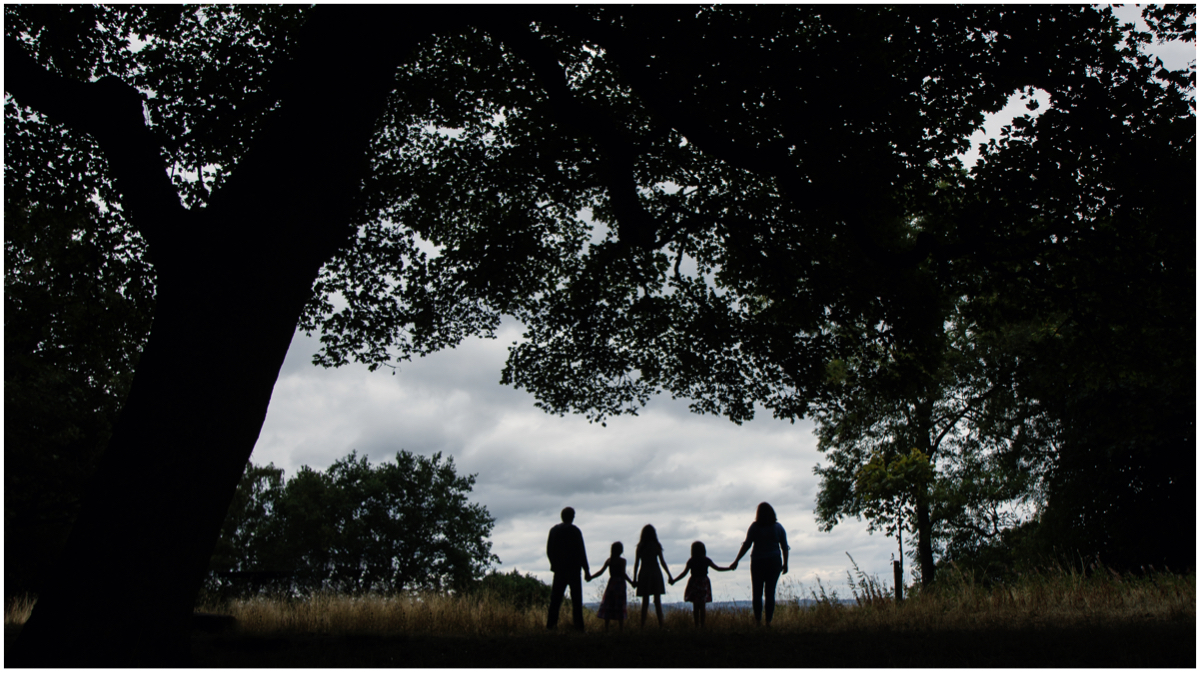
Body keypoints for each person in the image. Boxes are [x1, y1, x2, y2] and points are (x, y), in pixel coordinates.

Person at [730, 502, 789, 626]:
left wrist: (736, 560)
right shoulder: (778, 527)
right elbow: (784, 547)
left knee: (757, 593)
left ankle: (758, 621)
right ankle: (768, 621)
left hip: (758, 562)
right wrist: (785, 563)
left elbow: (747, 544)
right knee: (770, 593)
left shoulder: (754, 527)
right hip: (774, 562)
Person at [546, 506, 590, 631]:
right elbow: (582, 552)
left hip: (559, 570)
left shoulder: (554, 530)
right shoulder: (575, 531)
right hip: (574, 570)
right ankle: (579, 627)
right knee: (576, 600)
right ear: (572, 517)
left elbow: (549, 550)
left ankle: (551, 626)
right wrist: (586, 570)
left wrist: (554, 564)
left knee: (555, 599)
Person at [669, 540, 730, 627]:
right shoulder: (706, 560)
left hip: (694, 583)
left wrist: (674, 580)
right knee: (702, 606)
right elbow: (718, 568)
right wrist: (729, 568)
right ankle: (702, 625)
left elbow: (684, 573)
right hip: (703, 584)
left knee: (696, 606)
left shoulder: (691, 561)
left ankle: (696, 625)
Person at [586, 541, 636, 630]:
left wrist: (591, 577)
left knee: (609, 604)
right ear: (621, 551)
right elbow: (623, 573)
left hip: (611, 584)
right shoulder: (622, 561)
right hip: (620, 584)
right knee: (620, 605)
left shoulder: (609, 560)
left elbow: (600, 572)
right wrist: (631, 582)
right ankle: (621, 628)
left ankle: (606, 627)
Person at [633, 524, 673, 628]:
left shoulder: (640, 547)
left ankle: (642, 625)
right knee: (657, 600)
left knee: (645, 601)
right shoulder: (656, 545)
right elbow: (662, 562)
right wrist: (669, 575)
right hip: (655, 572)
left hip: (644, 573)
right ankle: (661, 624)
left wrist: (634, 579)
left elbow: (637, 563)